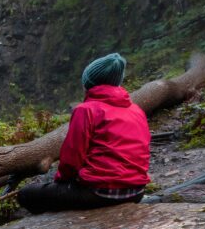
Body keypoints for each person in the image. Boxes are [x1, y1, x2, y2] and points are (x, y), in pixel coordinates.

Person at [17, 53, 151, 214]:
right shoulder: (136, 110)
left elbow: (72, 159)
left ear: (89, 83)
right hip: (136, 192)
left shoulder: (86, 110)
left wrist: (61, 182)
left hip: (99, 193)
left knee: (25, 194)